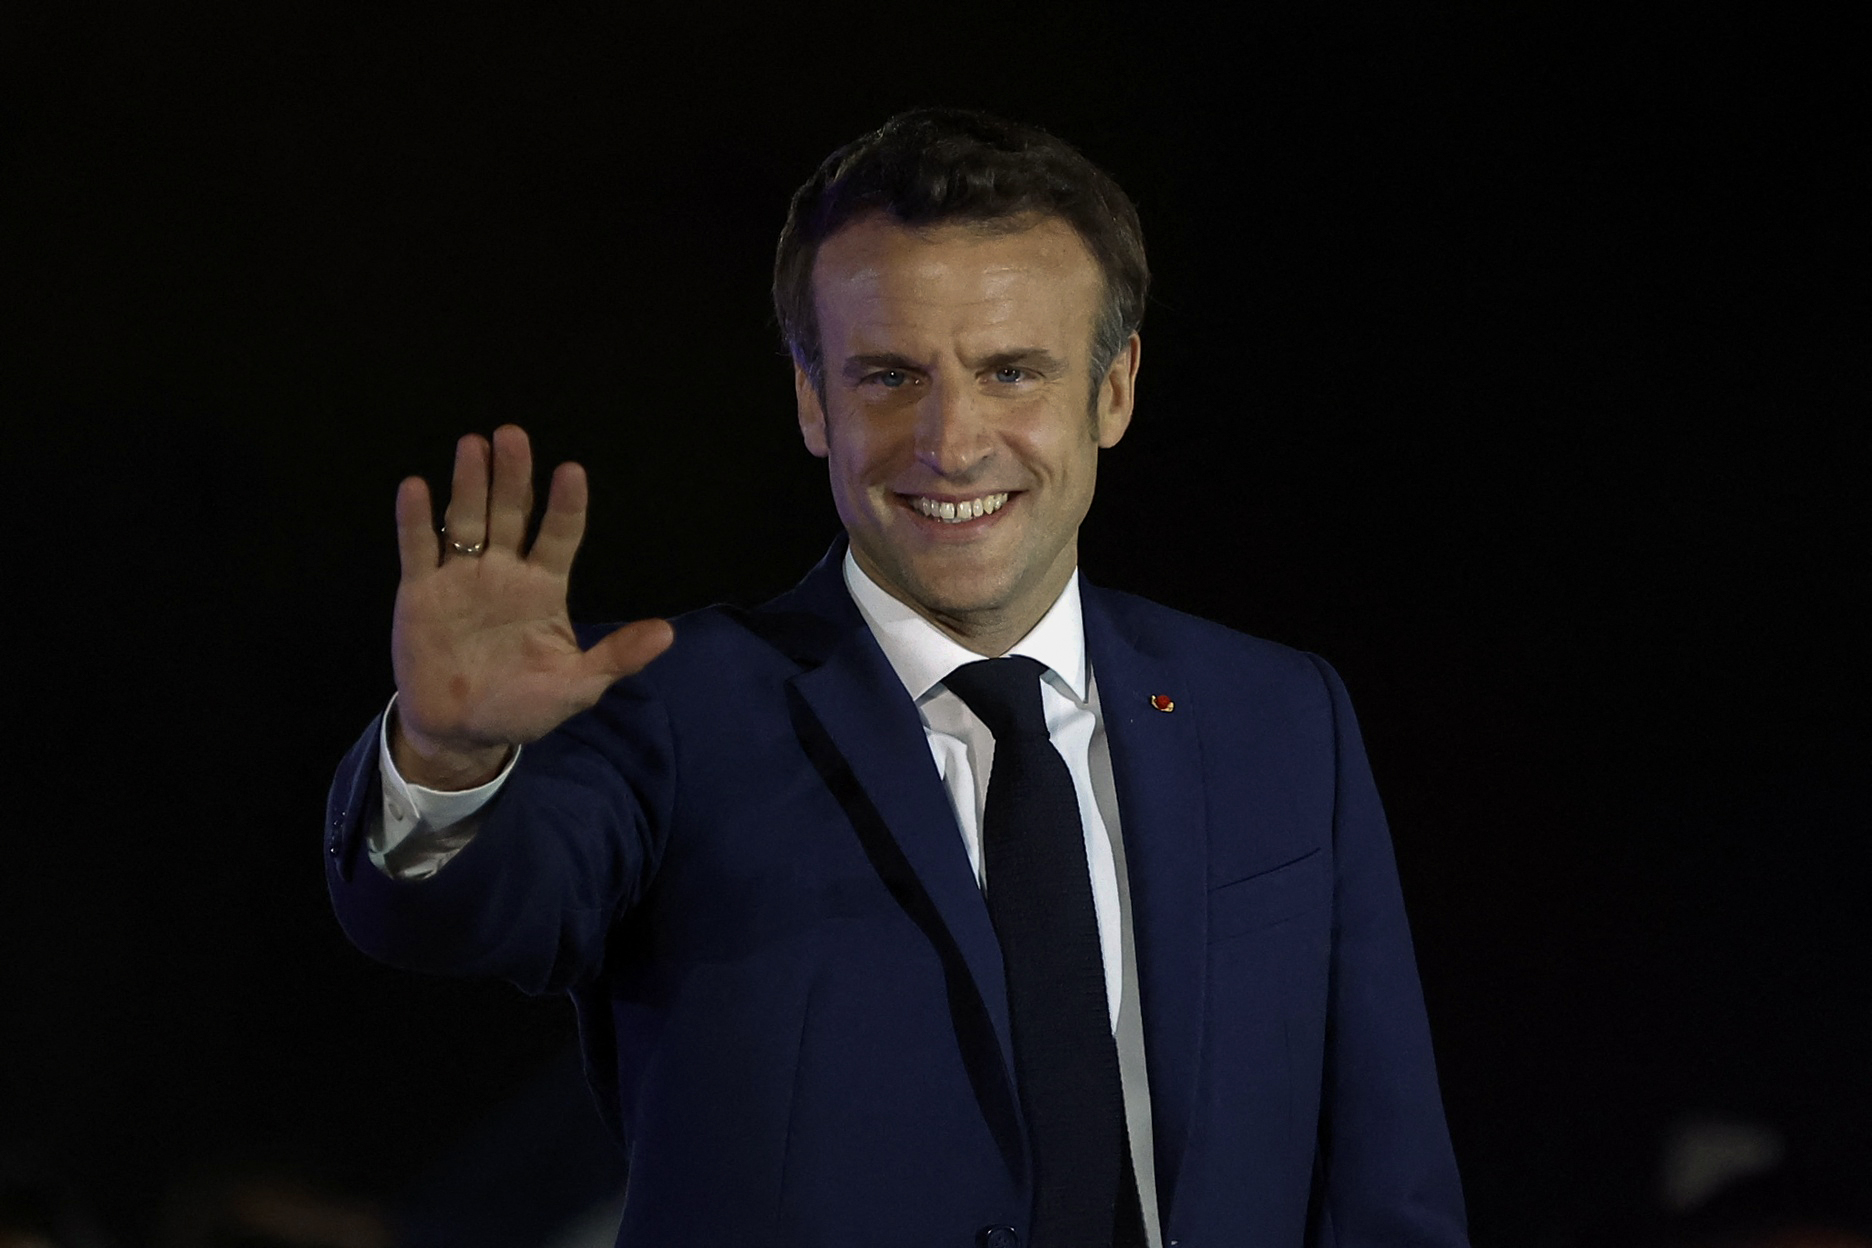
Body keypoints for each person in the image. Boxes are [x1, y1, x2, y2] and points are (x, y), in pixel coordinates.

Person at [325, 108, 1469, 1247]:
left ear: (1112, 391)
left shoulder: (1279, 719)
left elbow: (1388, 1187)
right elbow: (471, 912)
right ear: (813, 400)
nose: (952, 441)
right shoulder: (668, 706)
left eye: (1012, 372)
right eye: (888, 377)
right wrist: (452, 763)